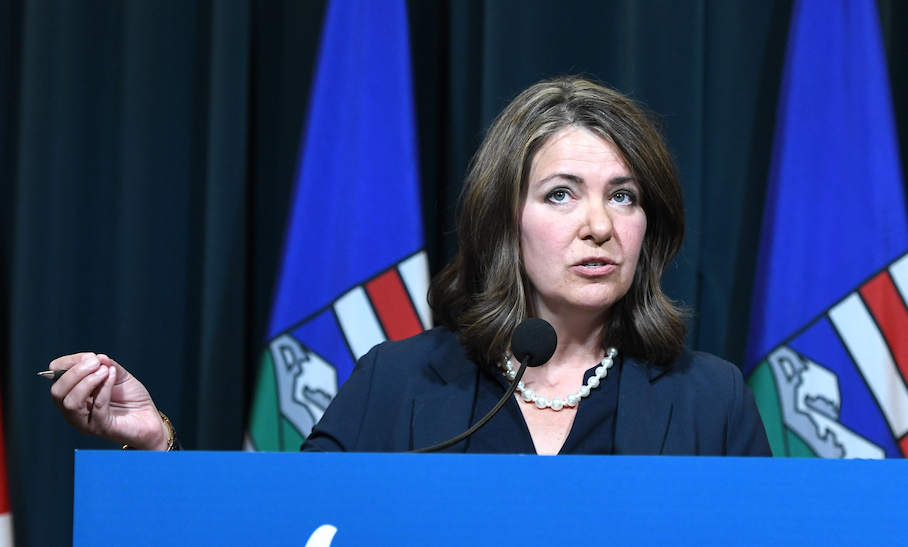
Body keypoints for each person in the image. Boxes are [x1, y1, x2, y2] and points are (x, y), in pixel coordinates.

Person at [49, 76, 770, 457]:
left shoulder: (710, 399)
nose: (598, 225)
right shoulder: (395, 386)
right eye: (561, 194)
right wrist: (158, 444)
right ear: (504, 220)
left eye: (624, 196)